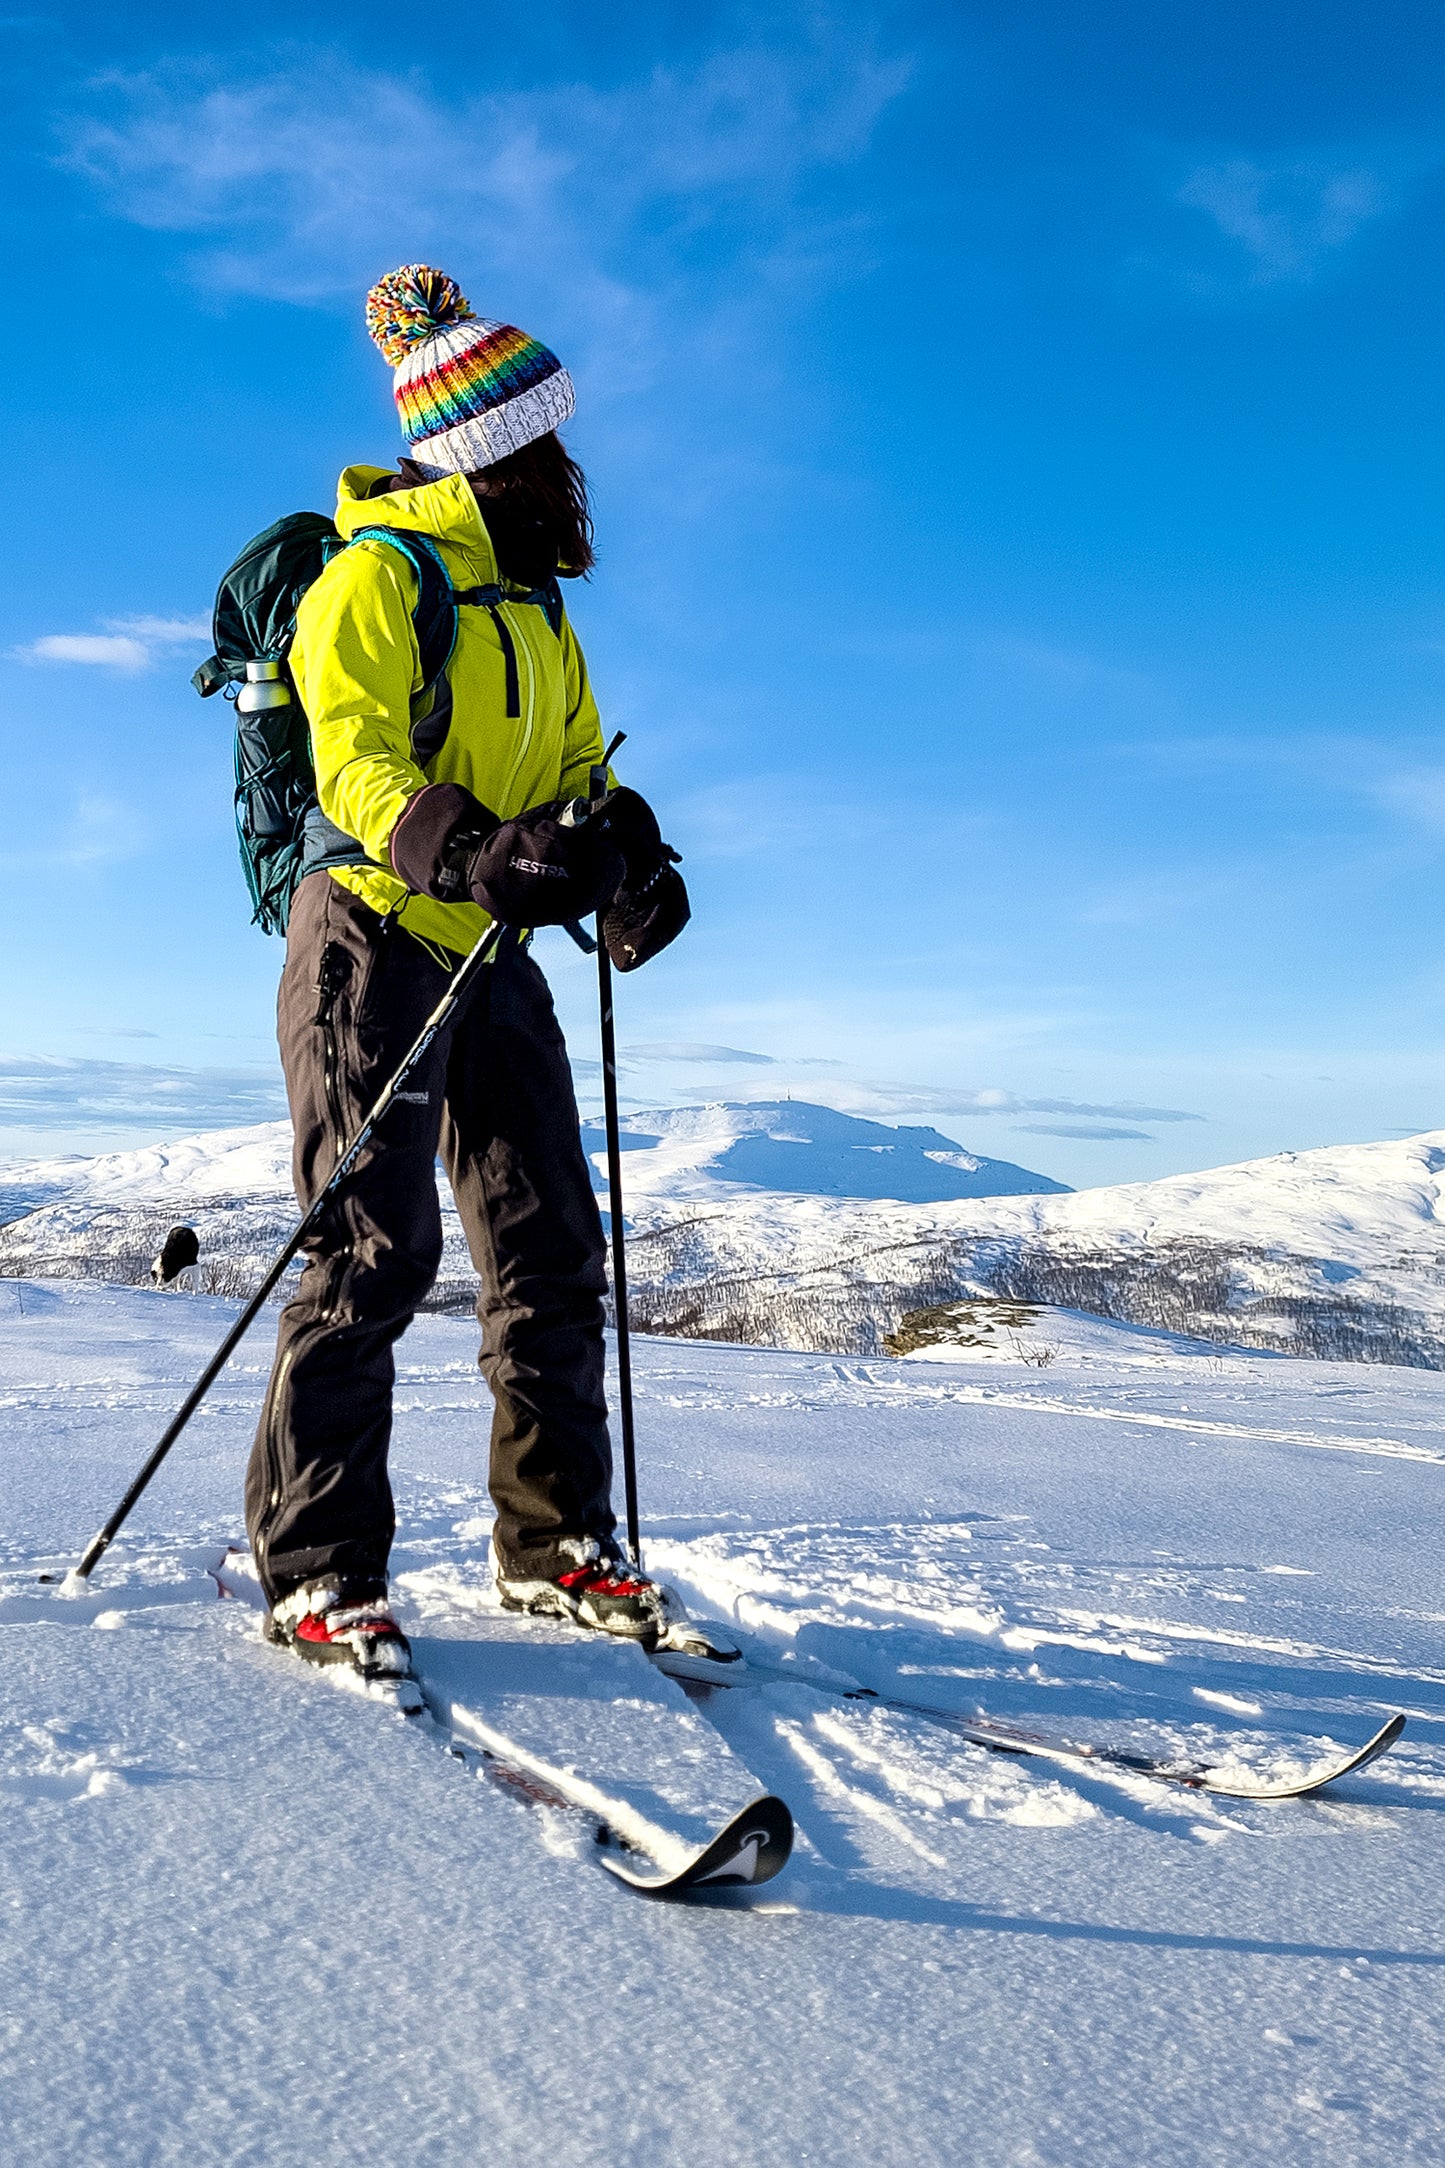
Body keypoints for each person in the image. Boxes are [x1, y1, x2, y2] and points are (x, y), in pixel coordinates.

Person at [245, 265, 695, 1690]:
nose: (570, 467)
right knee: (373, 1250)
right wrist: (465, 852)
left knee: (548, 1243)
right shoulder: (376, 576)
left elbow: (572, 773)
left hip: (485, 948)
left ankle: (554, 1547)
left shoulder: (538, 612)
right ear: (485, 447)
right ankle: (319, 1574)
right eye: (544, 441)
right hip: (372, 928)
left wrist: (625, 860)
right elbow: (354, 757)